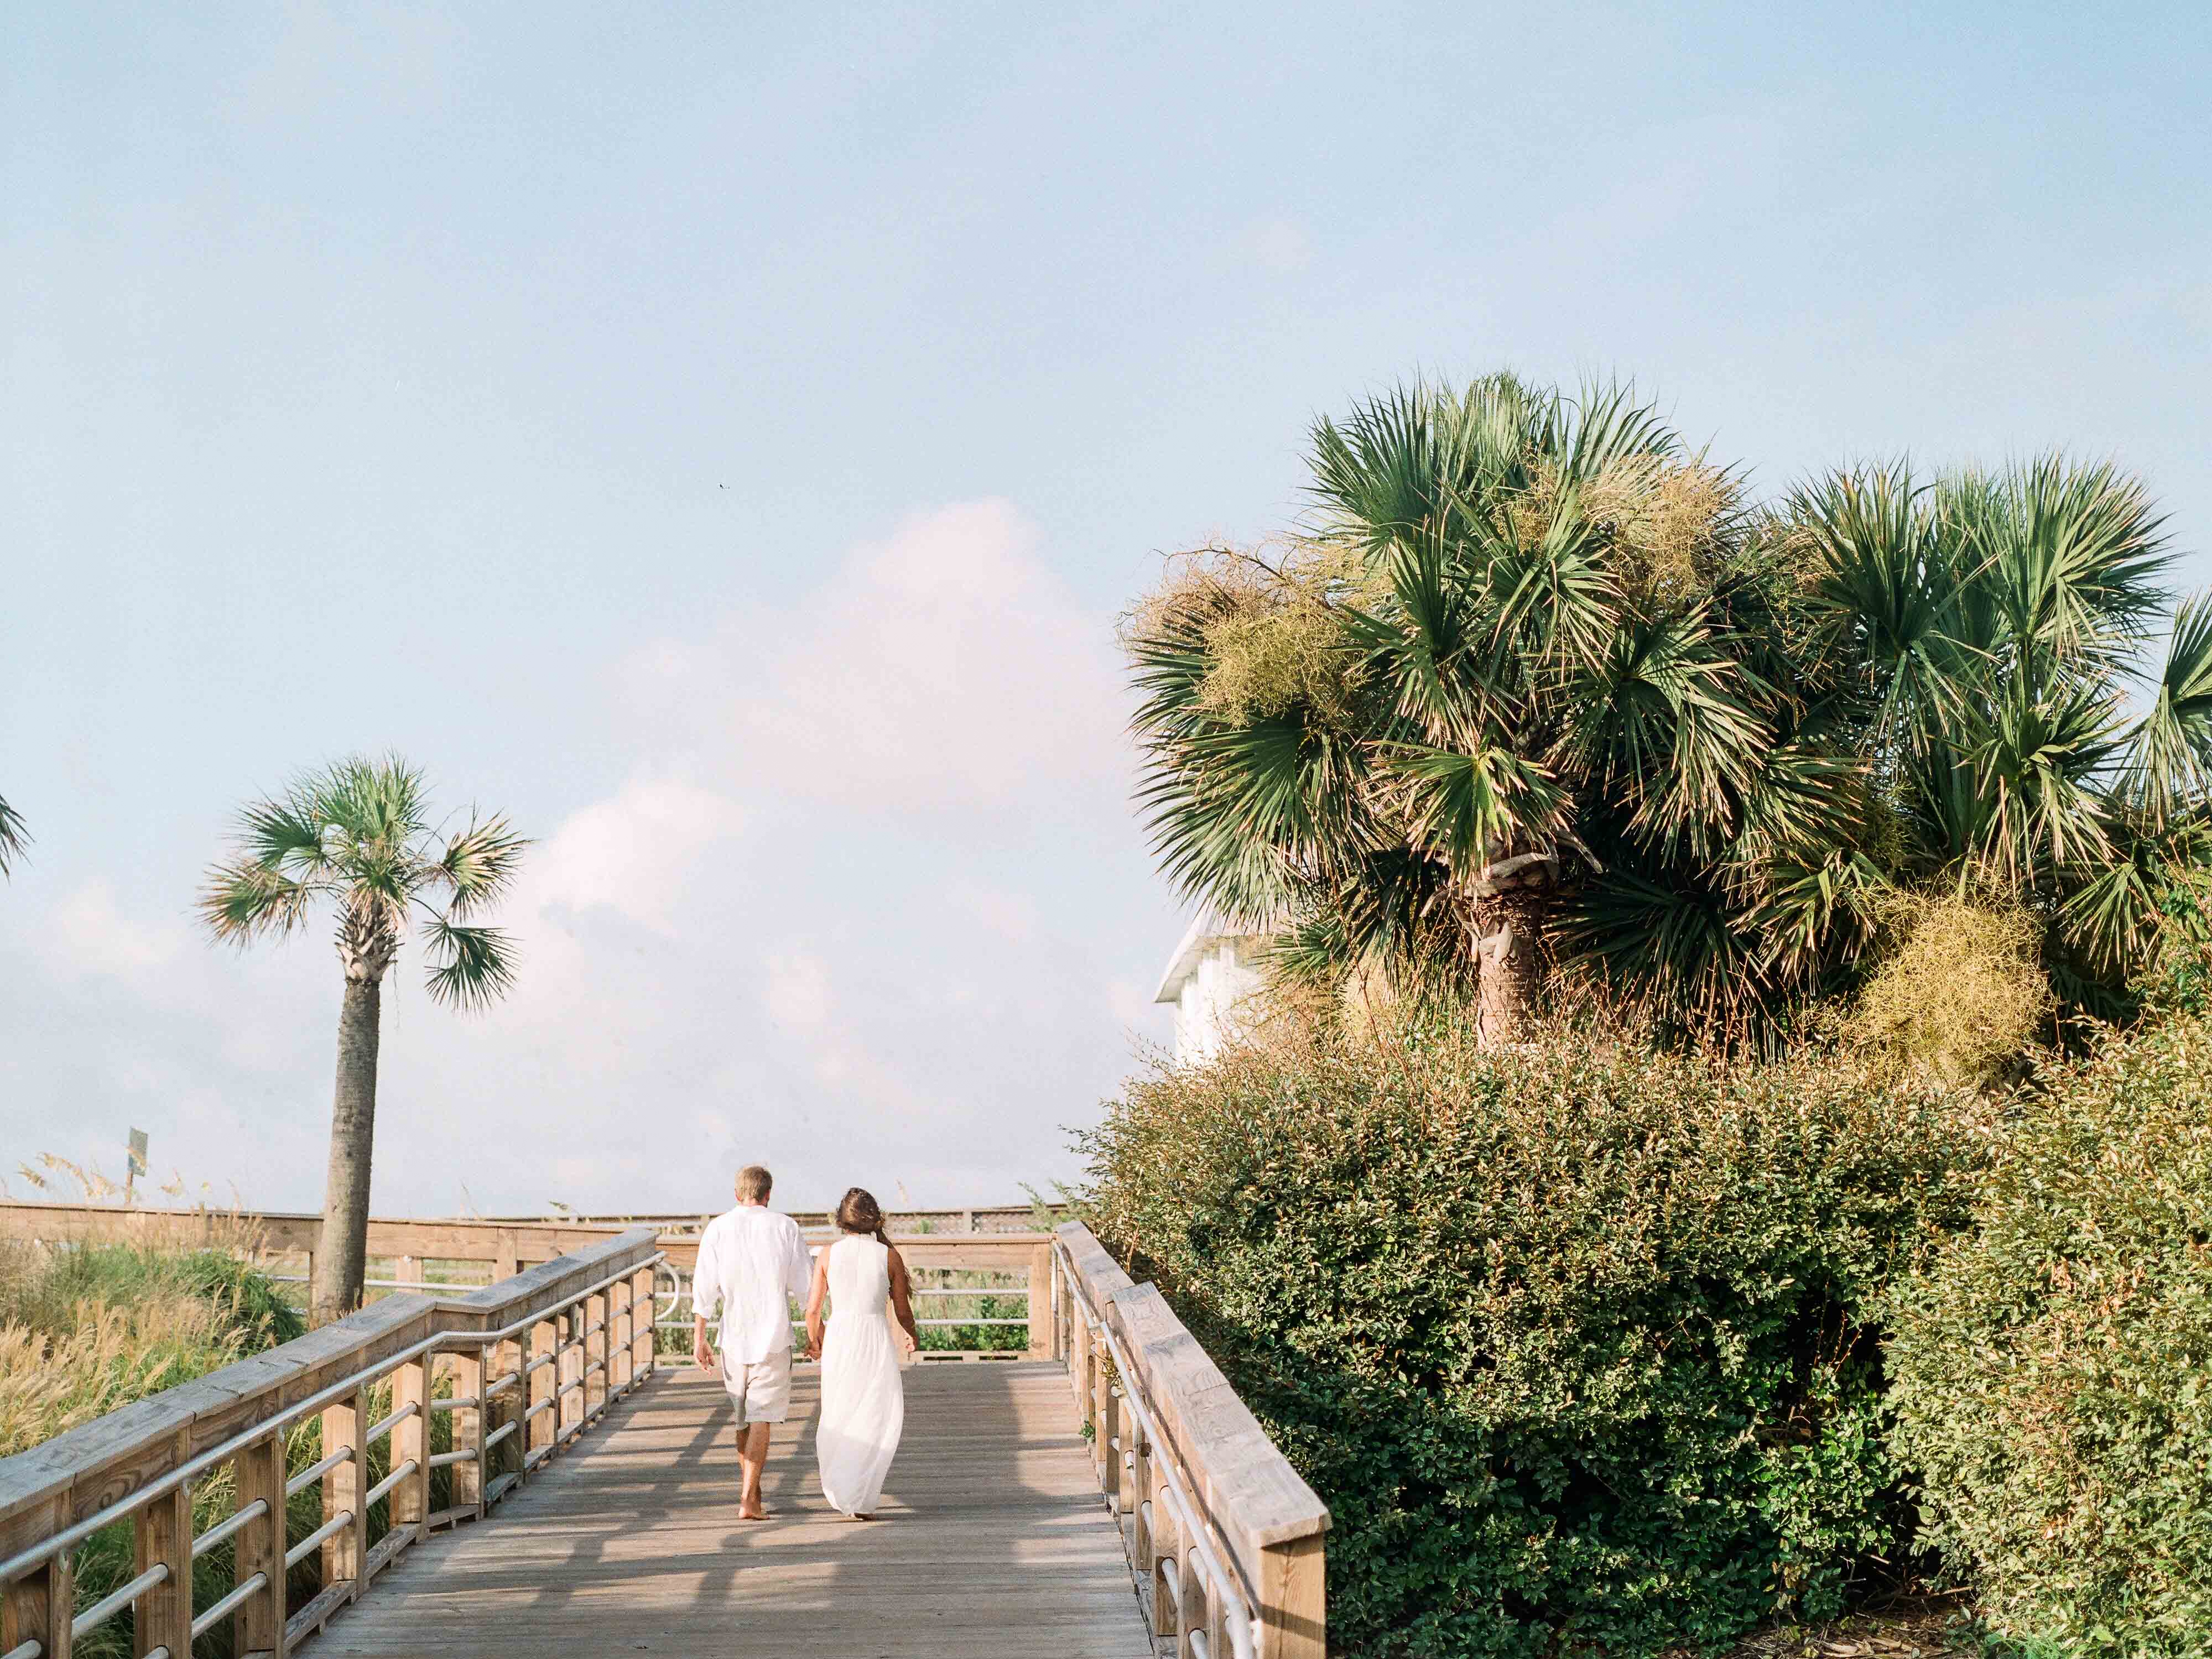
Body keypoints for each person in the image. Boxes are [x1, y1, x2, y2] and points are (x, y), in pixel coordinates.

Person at [691, 1164, 813, 1521]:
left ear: (736, 1194)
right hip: (772, 1337)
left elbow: (704, 1288)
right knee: (762, 1418)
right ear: (768, 1194)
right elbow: (806, 1289)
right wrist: (814, 1334)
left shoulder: (717, 1229)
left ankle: (752, 1494)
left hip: (733, 1338)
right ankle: (749, 1498)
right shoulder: (785, 1228)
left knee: (743, 1419)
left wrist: (699, 1338)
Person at [805, 1187, 920, 1520]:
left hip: (841, 1337)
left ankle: (845, 1490)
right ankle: (861, 1493)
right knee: (877, 1412)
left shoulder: (828, 1255)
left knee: (839, 1409)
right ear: (876, 1219)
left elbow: (813, 1310)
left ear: (841, 1221)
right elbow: (903, 1310)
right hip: (874, 1338)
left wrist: (815, 1341)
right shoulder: (889, 1256)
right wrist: (912, 1334)